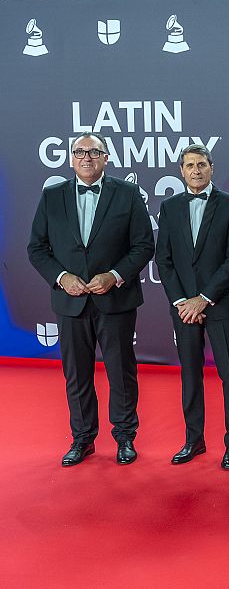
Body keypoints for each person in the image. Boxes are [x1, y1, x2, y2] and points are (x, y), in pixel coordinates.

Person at [27, 131, 154, 466]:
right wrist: (62, 277)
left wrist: (113, 276)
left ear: (106, 158)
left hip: (116, 301)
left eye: (94, 152)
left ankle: (125, 438)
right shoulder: (52, 196)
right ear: (70, 158)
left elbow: (144, 245)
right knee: (77, 375)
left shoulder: (127, 194)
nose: (86, 157)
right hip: (70, 303)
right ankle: (82, 439)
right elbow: (37, 248)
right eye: (80, 152)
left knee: (121, 373)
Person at [155, 144, 229, 470]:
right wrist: (182, 301)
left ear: (212, 168)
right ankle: (193, 440)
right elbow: (163, 260)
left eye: (201, 165)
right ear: (181, 171)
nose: (195, 171)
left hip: (219, 304)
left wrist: (204, 298)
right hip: (183, 309)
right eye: (189, 165)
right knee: (190, 375)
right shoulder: (169, 208)